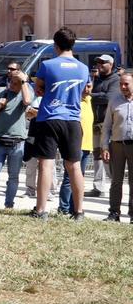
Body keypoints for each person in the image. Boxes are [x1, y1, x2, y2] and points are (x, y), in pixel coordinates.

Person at [29, 27, 90, 221]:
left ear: (55, 46)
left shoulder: (48, 65)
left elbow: (38, 88)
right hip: (72, 120)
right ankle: (79, 212)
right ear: (73, 45)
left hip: (50, 118)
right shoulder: (83, 68)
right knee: (74, 166)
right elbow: (85, 91)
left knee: (46, 164)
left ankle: (41, 210)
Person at [0, 63, 32, 210]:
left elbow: (27, 101)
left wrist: (24, 83)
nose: (13, 85)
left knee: (13, 177)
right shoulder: (1, 91)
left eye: (16, 83)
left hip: (17, 142)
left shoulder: (25, 91)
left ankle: (9, 205)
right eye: (11, 82)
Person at [99, 72, 133, 222]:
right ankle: (114, 213)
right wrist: (104, 147)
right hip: (117, 146)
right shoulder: (114, 101)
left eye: (126, 84)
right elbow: (106, 127)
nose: (123, 87)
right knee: (116, 181)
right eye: (121, 84)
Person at [57, 80, 94, 216]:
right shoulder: (73, 101)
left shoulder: (90, 100)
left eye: (89, 87)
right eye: (84, 87)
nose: (86, 90)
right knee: (69, 178)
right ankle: (64, 208)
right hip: (74, 144)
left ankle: (74, 208)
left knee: (79, 177)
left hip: (86, 145)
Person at [88, 54, 119, 197]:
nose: (99, 65)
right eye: (98, 63)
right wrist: (95, 93)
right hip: (95, 123)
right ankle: (98, 187)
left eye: (103, 63)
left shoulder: (116, 80)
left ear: (111, 64)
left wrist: (91, 95)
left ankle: (115, 186)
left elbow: (108, 97)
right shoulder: (97, 79)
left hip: (108, 125)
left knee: (108, 157)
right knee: (97, 156)